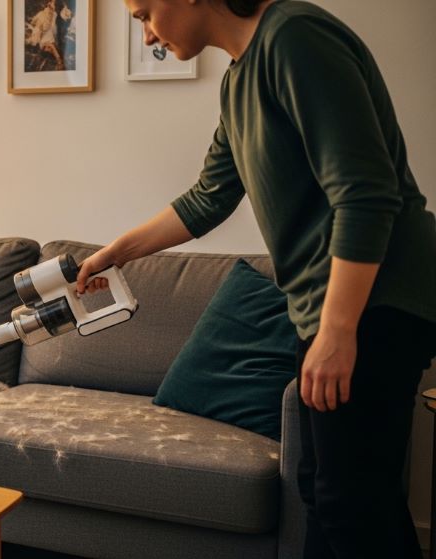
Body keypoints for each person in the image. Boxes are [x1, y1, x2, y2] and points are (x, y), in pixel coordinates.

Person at [76, 1, 436, 557]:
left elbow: (365, 195)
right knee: (324, 494)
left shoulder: (294, 38)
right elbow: (208, 197)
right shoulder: (239, 78)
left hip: (377, 298)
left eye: (145, 14)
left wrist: (339, 330)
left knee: (352, 504)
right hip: (325, 306)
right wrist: (116, 254)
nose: (147, 35)